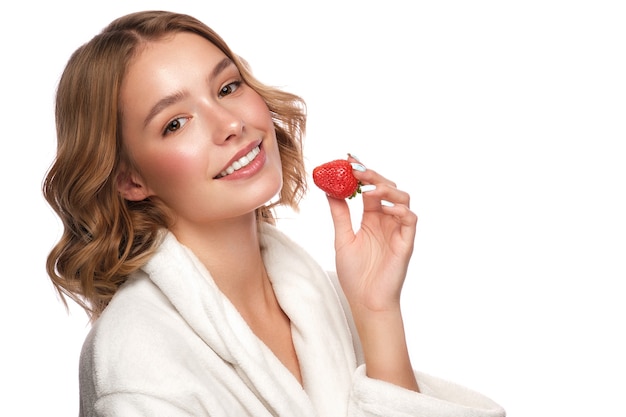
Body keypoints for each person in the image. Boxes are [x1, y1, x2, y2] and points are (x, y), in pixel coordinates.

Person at [43, 10, 505, 417]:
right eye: (175, 123)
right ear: (130, 179)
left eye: (227, 87)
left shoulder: (316, 295)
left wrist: (376, 311)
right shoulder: (138, 361)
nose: (231, 124)